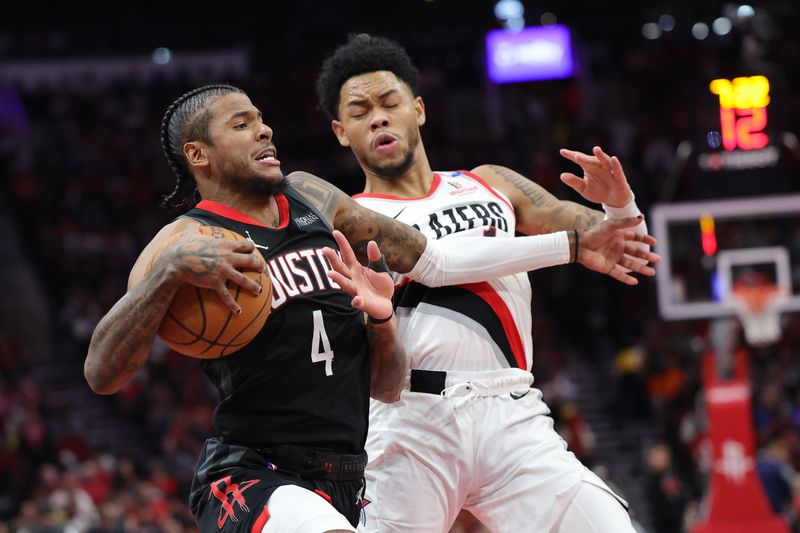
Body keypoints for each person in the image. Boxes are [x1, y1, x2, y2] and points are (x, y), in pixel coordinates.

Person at [84, 84, 656, 532]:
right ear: (198, 155)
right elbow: (102, 373)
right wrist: (164, 277)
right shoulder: (183, 242)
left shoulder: (312, 197)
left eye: (261, 119)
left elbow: (422, 284)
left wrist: (383, 320)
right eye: (242, 125)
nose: (264, 130)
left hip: (347, 473)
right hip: (256, 468)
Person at [316, 34, 653, 532]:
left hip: (512, 410)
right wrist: (572, 247)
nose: (379, 117)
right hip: (411, 420)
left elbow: (624, 246)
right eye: (361, 111)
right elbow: (442, 261)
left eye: (389, 103)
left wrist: (620, 206)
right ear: (342, 132)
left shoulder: (490, 181)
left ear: (420, 109)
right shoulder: (351, 217)